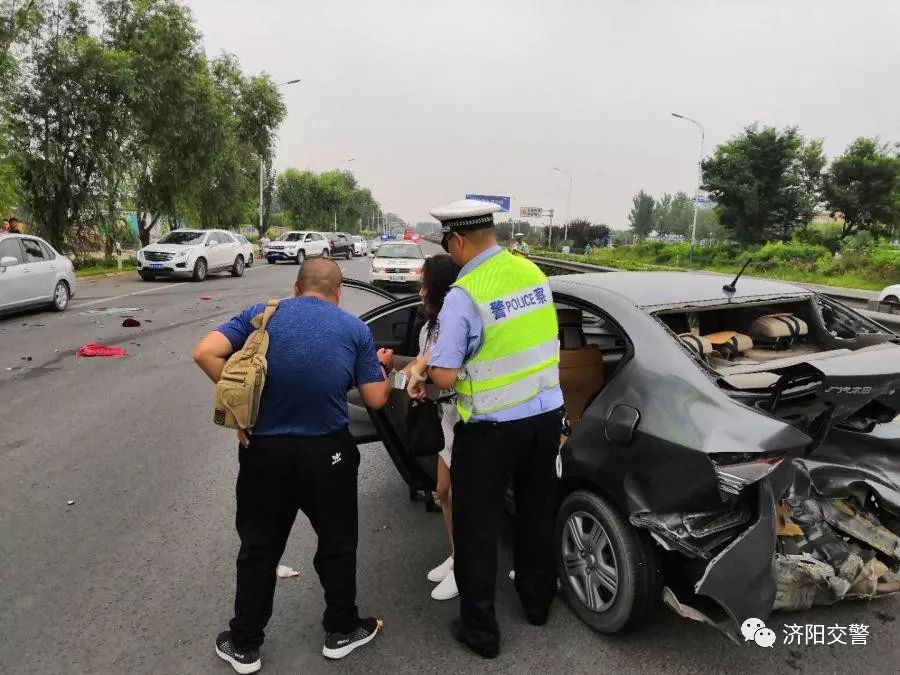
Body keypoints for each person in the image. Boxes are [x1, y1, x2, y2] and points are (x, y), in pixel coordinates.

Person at [192, 257, 394, 673]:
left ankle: (245, 643)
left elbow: (204, 352)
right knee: (337, 544)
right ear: (338, 293)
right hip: (329, 455)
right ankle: (341, 630)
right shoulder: (354, 329)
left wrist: (243, 408)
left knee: (259, 548)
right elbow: (375, 399)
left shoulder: (261, 316)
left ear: (296, 287)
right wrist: (385, 369)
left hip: (264, 451)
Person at [409, 199, 563, 659]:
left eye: (448, 245)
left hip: (492, 428)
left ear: (457, 241)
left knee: (477, 530)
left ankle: (482, 633)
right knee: (536, 515)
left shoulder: (465, 293)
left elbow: (445, 375)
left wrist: (421, 374)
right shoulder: (534, 273)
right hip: (545, 417)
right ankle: (538, 606)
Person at [403, 254, 462, 601]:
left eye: (425, 284)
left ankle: (464, 565)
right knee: (444, 492)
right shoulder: (429, 327)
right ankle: (456, 556)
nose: (420, 291)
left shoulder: (459, 323)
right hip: (448, 419)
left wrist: (424, 375)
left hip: (469, 419)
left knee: (457, 496)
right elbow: (423, 363)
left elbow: (447, 370)